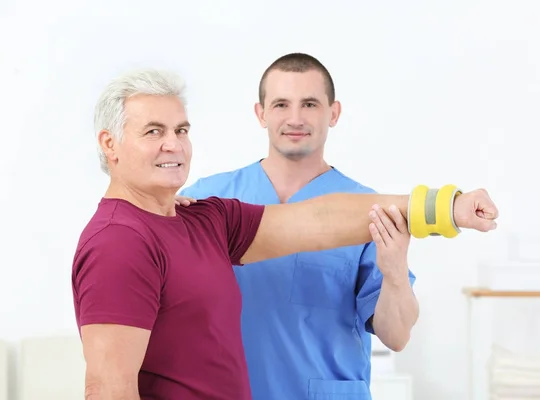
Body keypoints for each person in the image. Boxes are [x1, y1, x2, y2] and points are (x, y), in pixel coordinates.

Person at [72, 67, 498, 400]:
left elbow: (314, 221)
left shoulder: (206, 218)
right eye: (153, 131)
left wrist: (448, 207)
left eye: (181, 130)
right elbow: (109, 388)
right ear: (109, 144)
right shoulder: (119, 242)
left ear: (333, 112)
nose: (174, 144)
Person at [177, 52, 418, 399]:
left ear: (333, 113)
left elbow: (397, 336)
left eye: (309, 104)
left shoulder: (366, 210)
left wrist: (395, 271)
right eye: (280, 105)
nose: (295, 118)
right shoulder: (206, 200)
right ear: (261, 114)